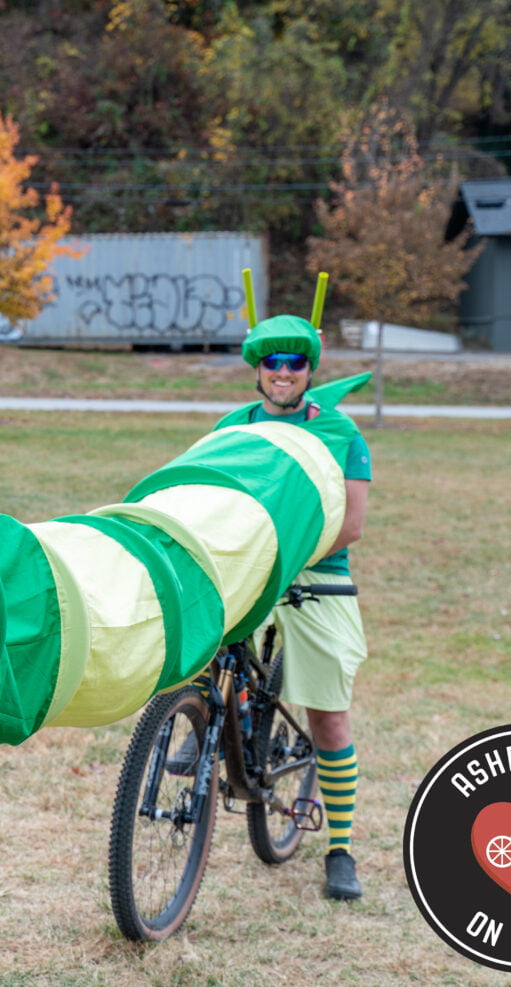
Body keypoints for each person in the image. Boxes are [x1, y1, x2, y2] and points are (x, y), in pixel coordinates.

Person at [212, 313, 371, 901]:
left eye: (295, 363)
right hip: (249, 563)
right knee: (198, 630)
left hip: (315, 572)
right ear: (258, 369)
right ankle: (204, 719)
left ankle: (340, 848)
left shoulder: (342, 434)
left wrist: (285, 558)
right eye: (272, 363)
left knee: (327, 714)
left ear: (310, 370)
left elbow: (350, 525)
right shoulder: (233, 428)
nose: (283, 373)